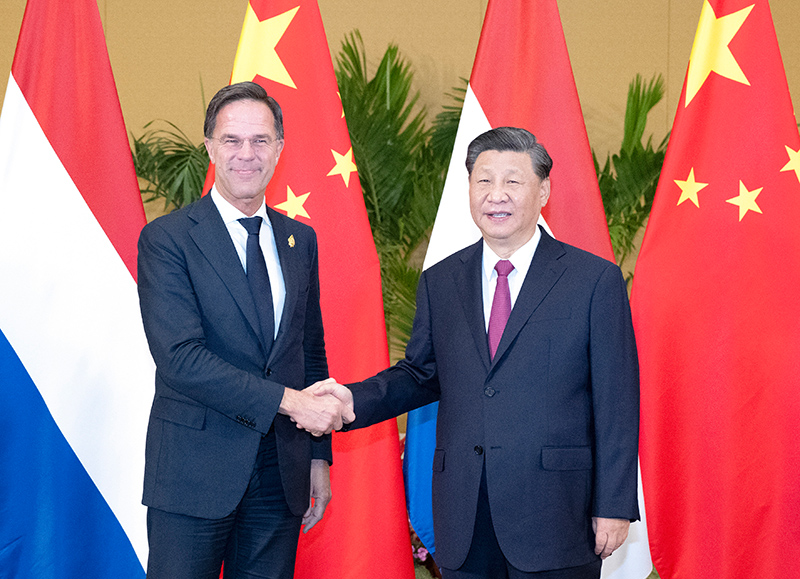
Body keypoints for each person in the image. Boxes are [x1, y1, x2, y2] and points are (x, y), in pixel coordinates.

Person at [312, 127, 640, 578]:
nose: (495, 194)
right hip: (464, 512)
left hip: (556, 513)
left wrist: (614, 504)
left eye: (512, 181)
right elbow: (420, 374)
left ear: (543, 191)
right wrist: (352, 399)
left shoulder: (593, 280)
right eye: (483, 180)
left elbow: (616, 401)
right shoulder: (441, 280)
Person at [137, 81, 351, 579]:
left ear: (279, 148)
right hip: (193, 474)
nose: (246, 154)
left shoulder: (300, 240)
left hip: (281, 475)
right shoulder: (168, 239)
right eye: (232, 140)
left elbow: (309, 350)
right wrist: (291, 403)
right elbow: (181, 359)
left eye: (260, 140)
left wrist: (317, 457)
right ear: (210, 147)